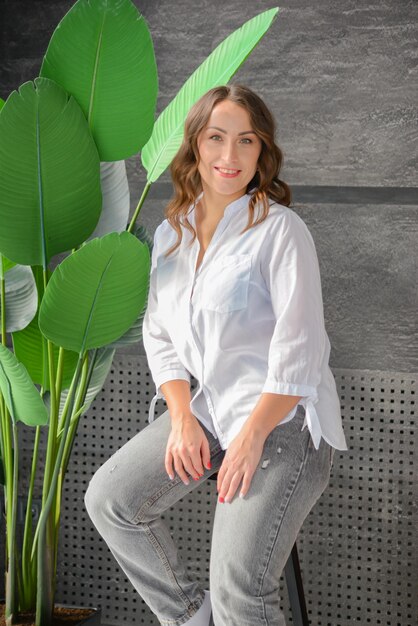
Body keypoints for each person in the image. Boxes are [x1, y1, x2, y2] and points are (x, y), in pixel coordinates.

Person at [84, 84, 348, 626]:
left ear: (261, 153)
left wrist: (250, 440)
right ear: (195, 147)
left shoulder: (281, 231)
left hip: (284, 422)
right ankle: (188, 616)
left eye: (246, 141)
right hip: (208, 413)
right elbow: (160, 336)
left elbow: (300, 351)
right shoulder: (170, 235)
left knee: (240, 595)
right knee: (111, 501)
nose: (230, 157)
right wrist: (181, 417)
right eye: (217, 138)